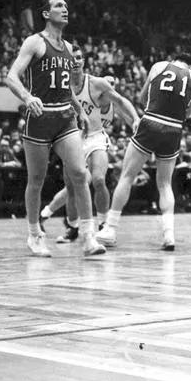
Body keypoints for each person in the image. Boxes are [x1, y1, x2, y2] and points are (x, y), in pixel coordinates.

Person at [4, 0, 105, 258]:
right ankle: (34, 234)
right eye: (59, 6)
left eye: (66, 6)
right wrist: (27, 96)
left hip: (64, 118)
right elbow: (11, 77)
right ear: (46, 14)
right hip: (39, 117)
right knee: (36, 180)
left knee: (80, 174)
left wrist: (80, 109)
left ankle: (89, 236)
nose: (65, 9)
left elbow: (66, 87)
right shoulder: (34, 42)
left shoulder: (70, 48)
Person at [98, 54, 191, 251]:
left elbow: (143, 97)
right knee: (165, 184)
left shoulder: (159, 66)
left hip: (151, 121)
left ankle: (110, 228)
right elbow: (188, 113)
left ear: (174, 59)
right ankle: (169, 235)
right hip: (174, 129)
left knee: (127, 176)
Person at [41, 53, 140, 243]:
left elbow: (121, 101)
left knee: (99, 179)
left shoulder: (96, 85)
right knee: (72, 188)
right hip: (71, 139)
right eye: (72, 58)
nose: (76, 61)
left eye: (79, 58)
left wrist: (135, 119)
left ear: (84, 62)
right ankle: (73, 227)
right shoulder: (61, 85)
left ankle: (104, 225)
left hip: (95, 137)